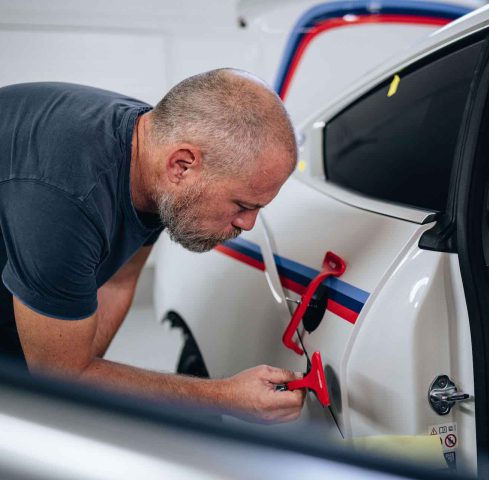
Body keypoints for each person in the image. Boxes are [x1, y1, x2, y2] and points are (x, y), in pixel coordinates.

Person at [0, 69, 304, 423]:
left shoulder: (156, 153)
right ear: (182, 165)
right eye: (242, 205)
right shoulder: (69, 201)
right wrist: (226, 396)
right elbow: (63, 379)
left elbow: (117, 282)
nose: (247, 224)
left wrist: (79, 370)